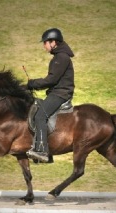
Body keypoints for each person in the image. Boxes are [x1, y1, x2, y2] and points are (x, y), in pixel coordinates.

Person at [26, 28, 75, 162]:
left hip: (60, 94)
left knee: (40, 115)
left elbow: (51, 80)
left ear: (54, 42)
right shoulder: (59, 57)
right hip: (57, 92)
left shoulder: (62, 57)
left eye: (45, 42)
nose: (44, 46)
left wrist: (32, 83)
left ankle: (42, 151)